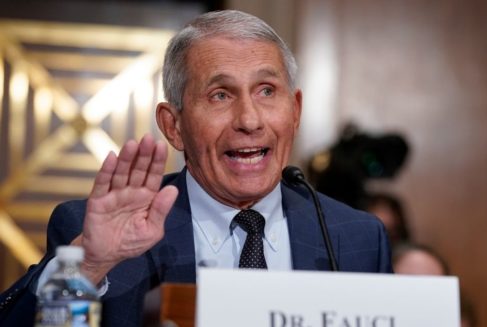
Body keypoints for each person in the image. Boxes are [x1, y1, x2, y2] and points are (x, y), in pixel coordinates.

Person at [0, 10, 392, 326]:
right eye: (220, 95)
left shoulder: (357, 238)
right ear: (174, 125)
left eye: (267, 91)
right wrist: (87, 266)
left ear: (296, 111)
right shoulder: (92, 233)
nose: (250, 119)